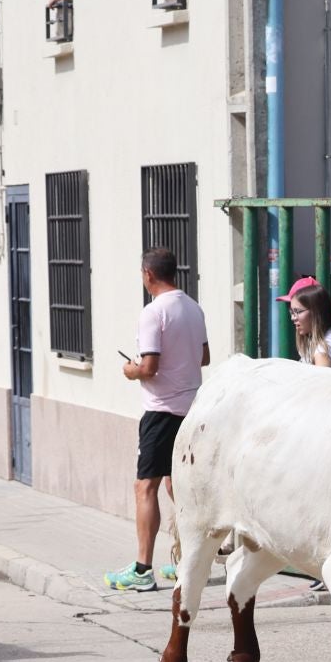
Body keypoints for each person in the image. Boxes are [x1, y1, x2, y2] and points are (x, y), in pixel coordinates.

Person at [106, 248, 209, 593]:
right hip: (192, 407)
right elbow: (204, 356)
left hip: (161, 410)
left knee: (145, 486)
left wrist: (130, 370)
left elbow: (149, 367)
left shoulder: (153, 313)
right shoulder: (193, 307)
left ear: (148, 275)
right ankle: (190, 561)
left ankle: (141, 569)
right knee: (175, 484)